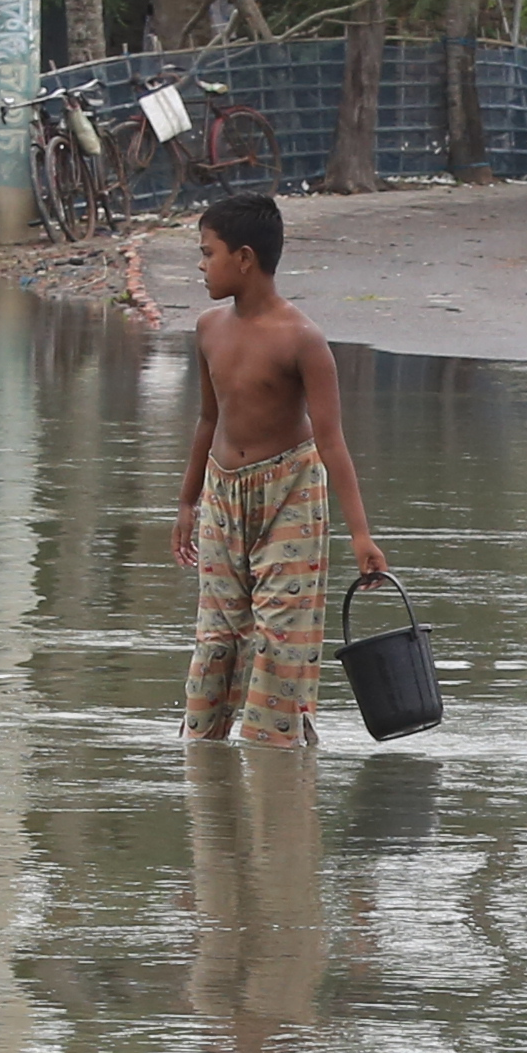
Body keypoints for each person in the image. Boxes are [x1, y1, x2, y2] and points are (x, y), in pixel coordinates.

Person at [172, 191, 388, 744]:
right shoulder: (208, 328)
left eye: (208, 253)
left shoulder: (302, 339)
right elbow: (207, 419)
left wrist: (361, 534)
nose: (201, 265)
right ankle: (205, 765)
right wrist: (187, 501)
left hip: (290, 491)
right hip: (223, 493)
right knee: (217, 637)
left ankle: (277, 766)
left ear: (244, 258)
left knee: (279, 639)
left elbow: (332, 442)